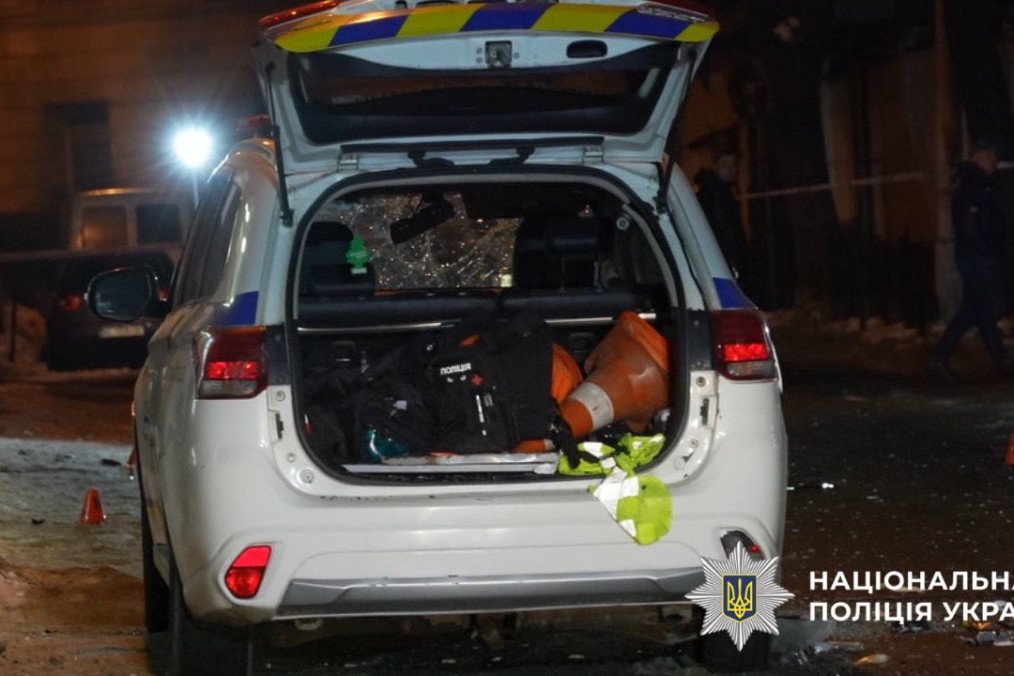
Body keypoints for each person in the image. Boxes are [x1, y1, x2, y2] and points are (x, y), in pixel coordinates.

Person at [935, 140, 1011, 378]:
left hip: (976, 257)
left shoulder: (975, 185)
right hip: (977, 258)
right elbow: (974, 226)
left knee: (973, 311)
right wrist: (987, 251)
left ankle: (941, 355)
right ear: (981, 159)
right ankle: (1000, 359)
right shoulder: (975, 187)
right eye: (991, 158)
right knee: (984, 309)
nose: (995, 163)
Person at [696, 151, 750, 286]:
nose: (730, 169)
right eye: (725, 164)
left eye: (733, 165)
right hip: (721, 260)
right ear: (715, 166)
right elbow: (726, 229)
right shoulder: (716, 193)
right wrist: (737, 258)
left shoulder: (719, 191)